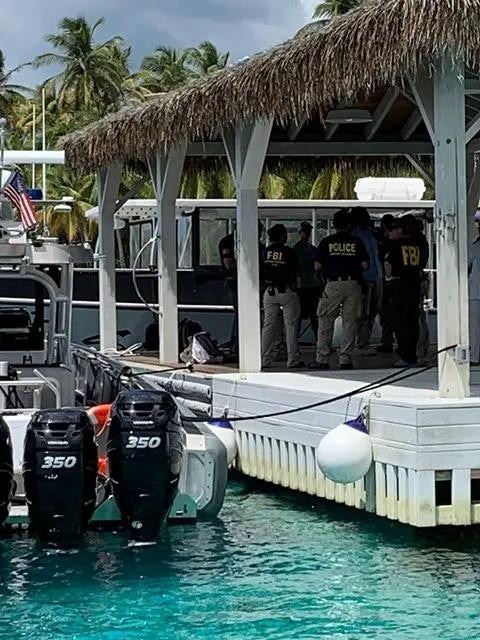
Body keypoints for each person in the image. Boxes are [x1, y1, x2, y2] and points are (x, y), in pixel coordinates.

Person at [311, 209, 369, 370]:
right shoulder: (356, 242)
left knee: (325, 320)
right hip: (353, 284)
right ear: (349, 224)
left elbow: (317, 265)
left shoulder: (326, 242)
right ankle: (345, 359)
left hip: (333, 284)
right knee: (350, 322)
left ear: (334, 224)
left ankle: (322, 358)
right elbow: (365, 265)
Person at [261, 224, 304, 369]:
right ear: (282, 236)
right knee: (291, 326)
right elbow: (297, 272)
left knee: (268, 326)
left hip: (269, 291)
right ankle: (292, 360)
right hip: (286, 291)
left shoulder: (264, 252)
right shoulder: (289, 252)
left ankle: (264, 360)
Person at [218, 221, 265, 354]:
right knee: (241, 312)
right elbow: (229, 264)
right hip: (235, 281)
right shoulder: (227, 242)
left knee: (251, 313)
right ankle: (237, 344)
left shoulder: (256, 244)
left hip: (254, 282)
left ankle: (246, 343)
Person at [383, 217, 423, 366]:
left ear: (400, 230)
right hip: (414, 285)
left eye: (392, 230)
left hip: (399, 285)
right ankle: (412, 354)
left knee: (400, 322)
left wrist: (388, 277)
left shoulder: (394, 246)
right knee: (412, 321)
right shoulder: (416, 245)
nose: (389, 233)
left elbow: (388, 264)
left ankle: (404, 355)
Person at [351, 207, 382, 355]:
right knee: (362, 312)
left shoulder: (371, 234)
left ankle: (366, 340)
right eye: (365, 216)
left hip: (377, 276)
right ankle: (360, 344)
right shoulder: (354, 235)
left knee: (373, 311)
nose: (368, 218)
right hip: (364, 278)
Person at [294, 221, 323, 341]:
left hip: (312, 286)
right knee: (298, 316)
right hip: (301, 286)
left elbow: (319, 268)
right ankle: (294, 342)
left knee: (314, 316)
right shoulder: (295, 249)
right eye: (304, 231)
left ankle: (319, 341)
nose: (306, 234)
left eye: (308, 231)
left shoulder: (313, 249)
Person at [376, 214, 395, 353]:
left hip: (386, 279)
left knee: (386, 311)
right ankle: (388, 340)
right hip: (393, 280)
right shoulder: (395, 242)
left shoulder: (385, 243)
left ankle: (387, 340)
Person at [469, 211, 480, 365]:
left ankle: (474, 357)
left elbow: (466, 266)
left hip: (475, 292)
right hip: (475, 292)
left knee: (475, 328)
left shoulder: (474, 247)